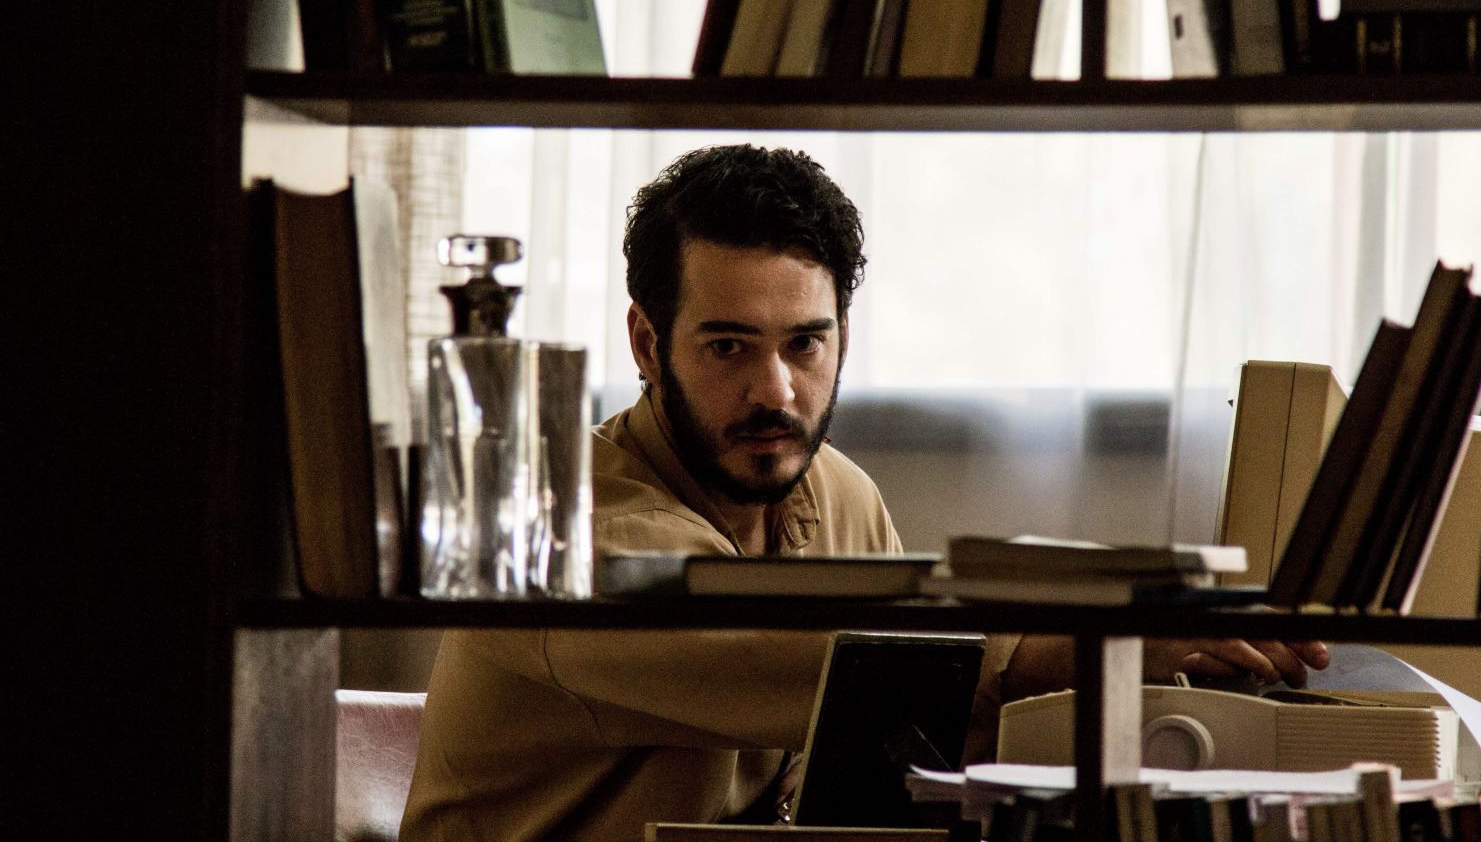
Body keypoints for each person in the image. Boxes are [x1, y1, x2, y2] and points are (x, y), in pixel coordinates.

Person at [399, 144, 1328, 842]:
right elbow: (825, 661)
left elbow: (923, 731)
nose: (775, 392)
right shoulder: (559, 534)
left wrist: (1178, 675)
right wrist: (1110, 636)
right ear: (648, 344)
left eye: (805, 343)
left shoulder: (837, 492)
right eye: (728, 347)